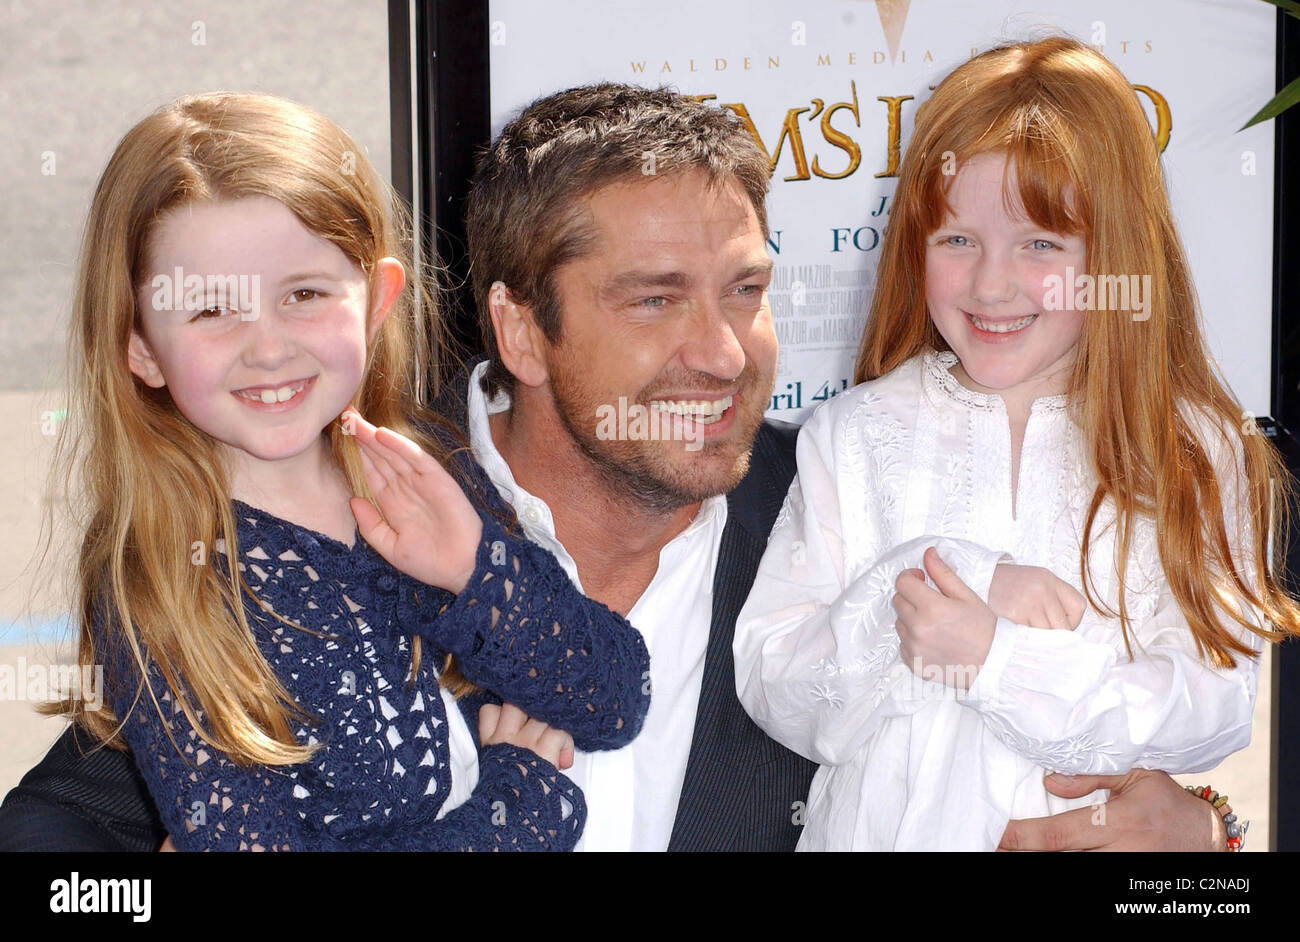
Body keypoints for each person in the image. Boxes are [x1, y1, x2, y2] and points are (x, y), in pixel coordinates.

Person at [0, 81, 1242, 853]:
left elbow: (1100, 772)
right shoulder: (340, 510)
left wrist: (1208, 853)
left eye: (745, 293)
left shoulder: (843, 517)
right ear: (520, 328)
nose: (721, 353)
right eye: (654, 301)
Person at [19, 92, 650, 851]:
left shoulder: (422, 468)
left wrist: (473, 573)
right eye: (213, 310)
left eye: (305, 295)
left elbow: (616, 697)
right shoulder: (162, 581)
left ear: (376, 300)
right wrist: (517, 812)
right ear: (141, 343)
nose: (269, 348)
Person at [733, 37, 1300, 850]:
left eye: (1040, 243)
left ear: (1116, 252)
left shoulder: (1194, 448)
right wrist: (932, 576)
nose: (991, 284)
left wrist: (999, 663)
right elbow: (780, 688)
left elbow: (1209, 709)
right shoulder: (853, 436)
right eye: (957, 240)